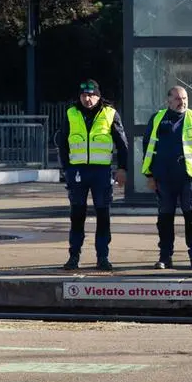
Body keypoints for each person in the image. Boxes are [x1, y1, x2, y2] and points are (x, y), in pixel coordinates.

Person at [55, 79, 129, 271]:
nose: (87, 99)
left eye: (91, 95)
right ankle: (74, 256)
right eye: (84, 95)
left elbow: (122, 144)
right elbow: (62, 143)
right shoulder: (71, 113)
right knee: (77, 215)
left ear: (98, 95)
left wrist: (122, 168)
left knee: (103, 215)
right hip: (78, 172)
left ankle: (102, 257)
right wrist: (67, 169)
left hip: (101, 172)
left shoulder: (110, 113)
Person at [141, 86, 192, 271]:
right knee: (165, 218)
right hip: (163, 177)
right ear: (169, 101)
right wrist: (149, 175)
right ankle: (165, 257)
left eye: (185, 98)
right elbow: (148, 148)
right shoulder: (158, 119)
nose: (182, 102)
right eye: (178, 98)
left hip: (189, 177)